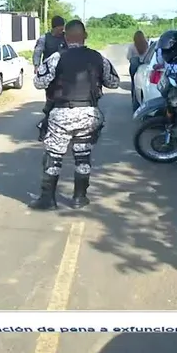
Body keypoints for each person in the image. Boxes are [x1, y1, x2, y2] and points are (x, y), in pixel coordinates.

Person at [29, 19, 120, 211]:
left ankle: (48, 199)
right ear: (85, 36)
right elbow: (113, 82)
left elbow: (39, 82)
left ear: (65, 36)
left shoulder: (56, 58)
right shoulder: (99, 58)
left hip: (61, 114)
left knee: (54, 156)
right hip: (89, 114)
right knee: (82, 155)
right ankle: (80, 198)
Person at [34, 16, 68, 141]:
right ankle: (44, 128)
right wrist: (36, 66)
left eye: (63, 28)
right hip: (49, 75)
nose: (62, 30)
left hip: (66, 73)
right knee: (51, 101)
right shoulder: (44, 38)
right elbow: (37, 52)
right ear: (54, 28)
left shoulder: (66, 37)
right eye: (60, 28)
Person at [127, 31, 148, 107]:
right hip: (143, 67)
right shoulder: (147, 45)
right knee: (142, 85)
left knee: (133, 84)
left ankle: (134, 102)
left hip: (134, 67)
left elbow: (128, 57)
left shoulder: (132, 46)